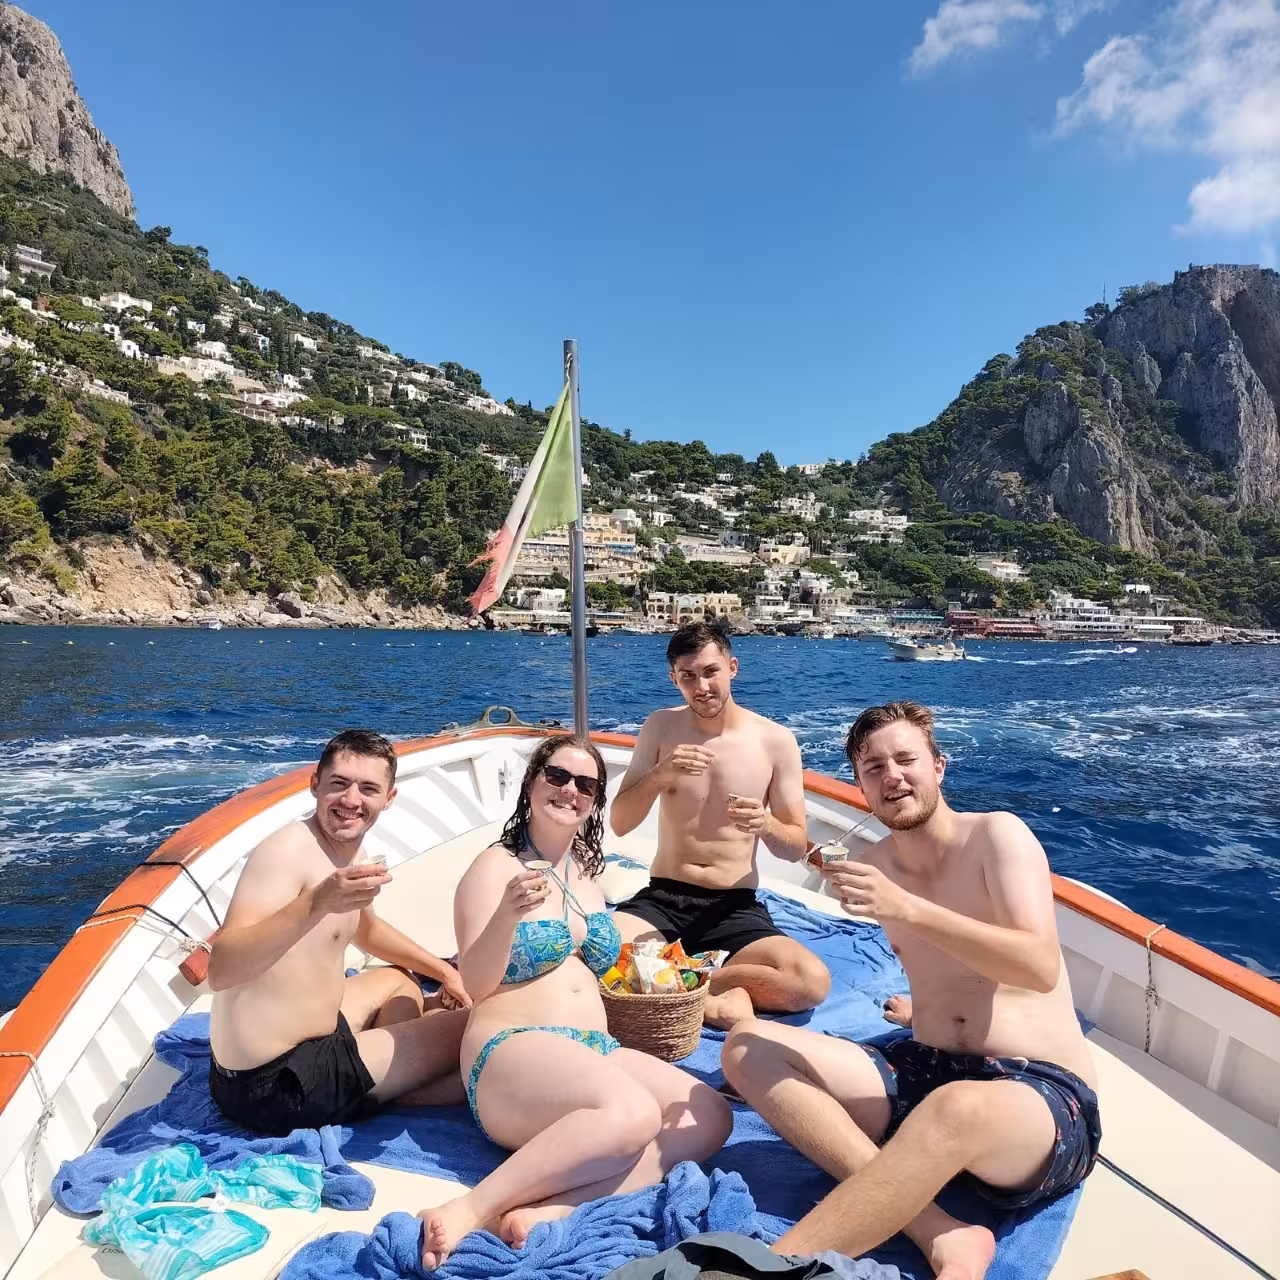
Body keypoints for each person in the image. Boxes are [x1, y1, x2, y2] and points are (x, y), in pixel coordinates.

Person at [722, 702, 1101, 1280]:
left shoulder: (997, 836)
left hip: (1039, 1091)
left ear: (939, 767)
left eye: (906, 760)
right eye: (873, 767)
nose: (892, 775)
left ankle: (763, 1272)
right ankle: (939, 1230)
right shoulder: (872, 864)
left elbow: (1038, 966)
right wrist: (921, 1011)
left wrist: (907, 908)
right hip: (927, 1067)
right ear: (860, 786)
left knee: (956, 1109)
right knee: (746, 1046)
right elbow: (943, 969)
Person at [417, 734, 731, 1269]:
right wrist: (506, 916)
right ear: (531, 783)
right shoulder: (494, 868)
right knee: (633, 1113)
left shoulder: (586, 871)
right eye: (556, 776)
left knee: (709, 1115)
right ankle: (470, 1208)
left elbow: (598, 965)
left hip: (589, 1048)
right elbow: (474, 979)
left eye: (586, 785)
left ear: (595, 801)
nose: (569, 791)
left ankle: (558, 1205)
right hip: (513, 1047)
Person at [207, 729, 471, 1136]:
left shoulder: (348, 850)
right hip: (276, 1084)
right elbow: (221, 970)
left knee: (400, 980)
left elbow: (365, 930)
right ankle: (389, 1088)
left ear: (389, 798)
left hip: (307, 1045)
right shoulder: (286, 852)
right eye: (339, 784)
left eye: (368, 788)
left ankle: (385, 1068)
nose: (351, 800)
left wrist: (445, 971)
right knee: (475, 1025)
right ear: (315, 785)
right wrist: (317, 903)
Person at [609, 621, 830, 1028]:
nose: (701, 687)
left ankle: (680, 980)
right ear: (673, 678)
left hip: (733, 906)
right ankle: (710, 991)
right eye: (688, 677)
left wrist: (765, 824)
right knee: (599, 955)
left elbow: (795, 847)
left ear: (732, 667)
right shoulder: (660, 727)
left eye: (710, 672)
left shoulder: (775, 741)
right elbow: (620, 823)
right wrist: (660, 775)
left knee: (808, 982)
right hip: (663, 898)